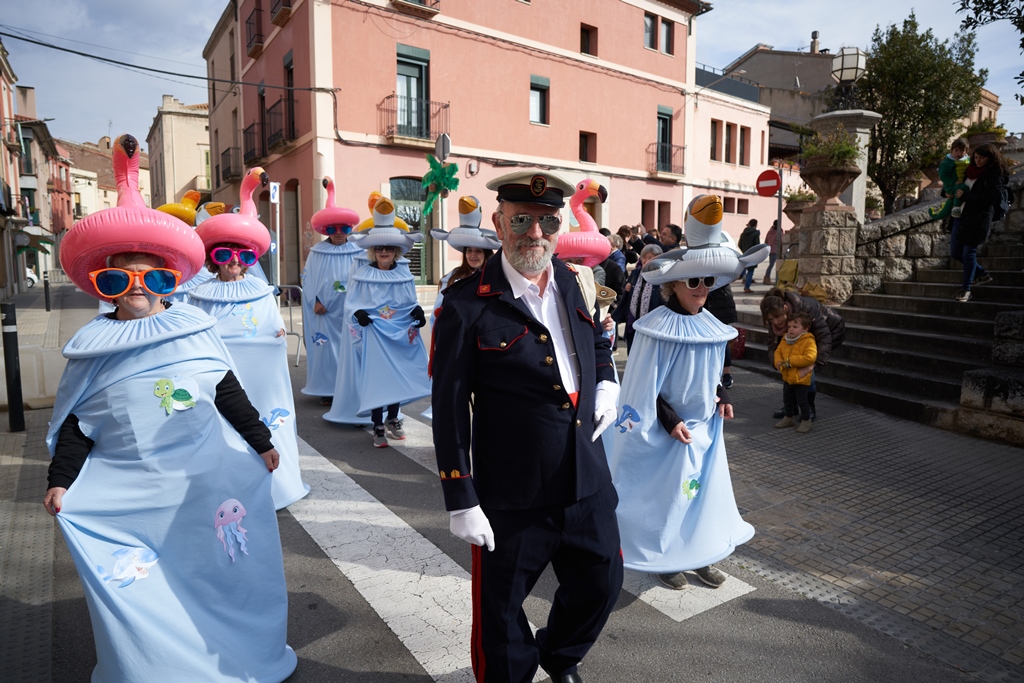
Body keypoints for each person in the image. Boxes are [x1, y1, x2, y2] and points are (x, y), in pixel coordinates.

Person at [43, 134, 296, 682]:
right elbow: (77, 426)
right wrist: (61, 481)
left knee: (211, 579)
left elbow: (227, 392)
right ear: (102, 286)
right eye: (119, 276)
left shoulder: (195, 331)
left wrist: (262, 442)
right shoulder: (90, 350)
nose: (137, 286)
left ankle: (229, 659)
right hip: (131, 496)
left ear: (171, 281)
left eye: (153, 275)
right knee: (149, 587)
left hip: (200, 486)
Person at [431, 169, 623, 683]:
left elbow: (595, 343)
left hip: (586, 476)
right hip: (513, 493)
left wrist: (608, 380)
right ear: (499, 223)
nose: (534, 232)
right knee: (501, 615)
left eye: (546, 220)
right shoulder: (466, 305)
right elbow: (449, 406)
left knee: (602, 582)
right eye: (521, 220)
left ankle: (560, 657)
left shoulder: (571, 280)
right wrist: (460, 496)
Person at [607, 193, 766, 592]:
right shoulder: (654, 328)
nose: (700, 289)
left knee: (701, 496)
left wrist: (723, 398)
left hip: (704, 429)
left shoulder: (713, 326)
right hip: (668, 433)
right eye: (692, 281)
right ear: (674, 283)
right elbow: (642, 388)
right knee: (670, 498)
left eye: (707, 281)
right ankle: (668, 558)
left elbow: (712, 376)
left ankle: (702, 553)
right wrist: (671, 421)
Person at [190, 167, 310, 510]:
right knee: (226, 426)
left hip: (262, 379)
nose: (234, 263)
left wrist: (276, 339)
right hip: (224, 378)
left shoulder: (260, 289)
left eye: (242, 257)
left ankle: (277, 486)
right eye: (224, 256)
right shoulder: (200, 293)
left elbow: (274, 331)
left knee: (264, 421)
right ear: (214, 260)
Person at [325, 193, 431, 448]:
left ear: (395, 251)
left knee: (395, 377)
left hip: (397, 334)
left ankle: (393, 419)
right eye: (380, 248)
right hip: (373, 335)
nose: (384, 252)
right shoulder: (363, 274)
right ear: (373, 251)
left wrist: (416, 312)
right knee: (376, 379)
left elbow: (408, 301)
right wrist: (358, 314)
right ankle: (377, 425)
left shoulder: (404, 273)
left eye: (389, 248)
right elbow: (352, 303)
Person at [300, 177, 362, 406]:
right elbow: (308, 279)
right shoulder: (318, 251)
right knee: (327, 349)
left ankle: (349, 387)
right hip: (325, 312)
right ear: (326, 229)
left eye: (344, 228)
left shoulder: (357, 251)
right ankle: (328, 389)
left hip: (349, 310)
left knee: (350, 347)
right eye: (333, 228)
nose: (339, 232)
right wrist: (314, 300)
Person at [760, 287, 846, 421]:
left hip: (830, 329)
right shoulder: (776, 318)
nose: (775, 322)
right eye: (771, 320)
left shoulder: (804, 309)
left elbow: (823, 336)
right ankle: (791, 407)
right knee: (791, 369)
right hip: (803, 336)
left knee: (806, 373)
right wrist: (777, 364)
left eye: (777, 317)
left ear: (785, 308)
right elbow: (773, 345)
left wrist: (812, 364)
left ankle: (810, 409)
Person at [951, 143, 1009, 303]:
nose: (977, 160)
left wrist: (966, 196)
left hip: (978, 219)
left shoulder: (995, 175)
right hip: (960, 215)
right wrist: (950, 190)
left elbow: (989, 199)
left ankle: (966, 289)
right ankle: (982, 273)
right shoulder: (969, 171)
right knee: (955, 252)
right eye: (975, 157)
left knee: (969, 253)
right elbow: (960, 189)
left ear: (990, 158)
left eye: (981, 158)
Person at [614, 243, 664, 352]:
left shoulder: (662, 277)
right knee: (632, 354)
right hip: (633, 322)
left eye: (650, 258)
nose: (646, 260)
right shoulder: (636, 273)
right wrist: (627, 289)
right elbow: (629, 294)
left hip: (652, 325)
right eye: (644, 257)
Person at [773, 311, 817, 434]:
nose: (791, 330)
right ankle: (788, 417)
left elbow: (810, 357)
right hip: (787, 377)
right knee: (787, 399)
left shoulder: (808, 341)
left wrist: (790, 362)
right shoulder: (785, 339)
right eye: (790, 327)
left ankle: (806, 420)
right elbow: (778, 351)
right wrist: (778, 362)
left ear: (805, 329)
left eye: (795, 327)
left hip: (801, 378)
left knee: (802, 401)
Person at [929, 137, 971, 220]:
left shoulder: (968, 161)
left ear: (966, 152)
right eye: (956, 150)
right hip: (952, 186)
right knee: (962, 188)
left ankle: (939, 214)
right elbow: (943, 176)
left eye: (962, 151)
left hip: (961, 189)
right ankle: (956, 207)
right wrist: (954, 182)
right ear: (951, 151)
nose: (959, 153)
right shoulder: (947, 163)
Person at [738, 219, 760, 292]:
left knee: (744, 267)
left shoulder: (743, 233)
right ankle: (747, 287)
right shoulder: (756, 234)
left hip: (745, 253)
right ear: (755, 225)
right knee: (750, 270)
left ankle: (743, 278)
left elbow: (739, 244)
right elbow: (757, 245)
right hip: (752, 254)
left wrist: (744, 250)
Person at [763, 220, 779, 284]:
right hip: (776, 250)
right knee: (772, 265)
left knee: (770, 265)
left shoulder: (769, 232)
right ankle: (767, 278)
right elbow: (781, 241)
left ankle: (766, 278)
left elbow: (766, 241)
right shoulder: (779, 232)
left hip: (770, 250)